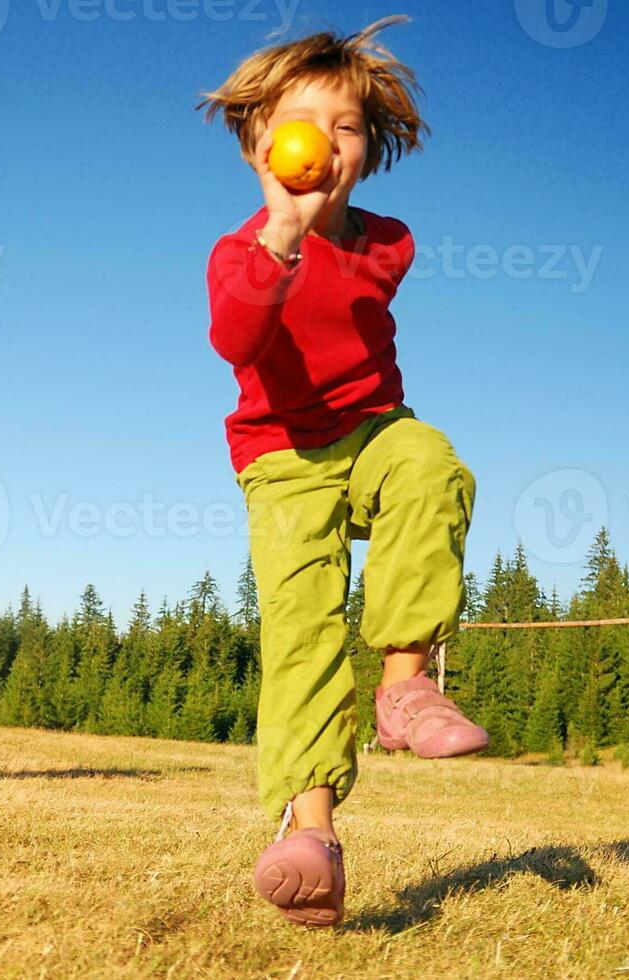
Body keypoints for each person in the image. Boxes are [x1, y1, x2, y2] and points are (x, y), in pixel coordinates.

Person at [198, 16, 488, 927]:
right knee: (303, 630)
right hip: (280, 457)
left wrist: (317, 225)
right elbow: (235, 337)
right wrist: (282, 231)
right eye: (301, 121)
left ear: (369, 150)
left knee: (432, 464)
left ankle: (405, 684)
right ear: (259, 141)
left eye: (348, 126)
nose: (324, 140)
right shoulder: (239, 253)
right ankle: (311, 835)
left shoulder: (386, 241)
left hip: (371, 432)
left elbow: (351, 281)